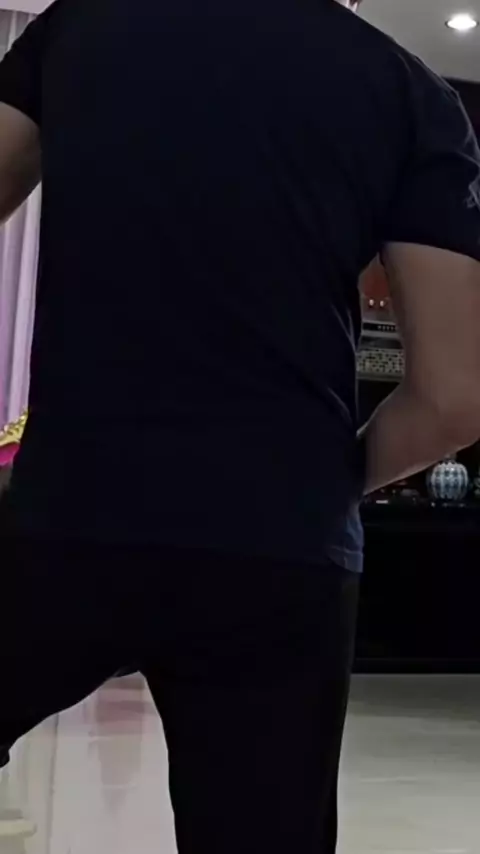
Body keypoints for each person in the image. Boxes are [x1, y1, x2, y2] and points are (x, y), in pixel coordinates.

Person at [1, 0, 480, 850]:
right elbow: (455, 397)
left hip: (70, 509)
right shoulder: (408, 94)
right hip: (279, 547)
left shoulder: (85, 26)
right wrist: (329, 482)